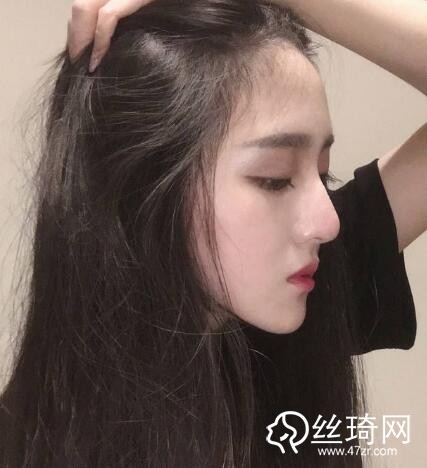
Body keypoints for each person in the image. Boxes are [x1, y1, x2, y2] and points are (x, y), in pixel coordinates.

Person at [1, 0, 425, 466]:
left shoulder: (311, 283)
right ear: (143, 188)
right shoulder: (29, 442)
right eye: (275, 178)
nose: (328, 223)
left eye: (322, 174)